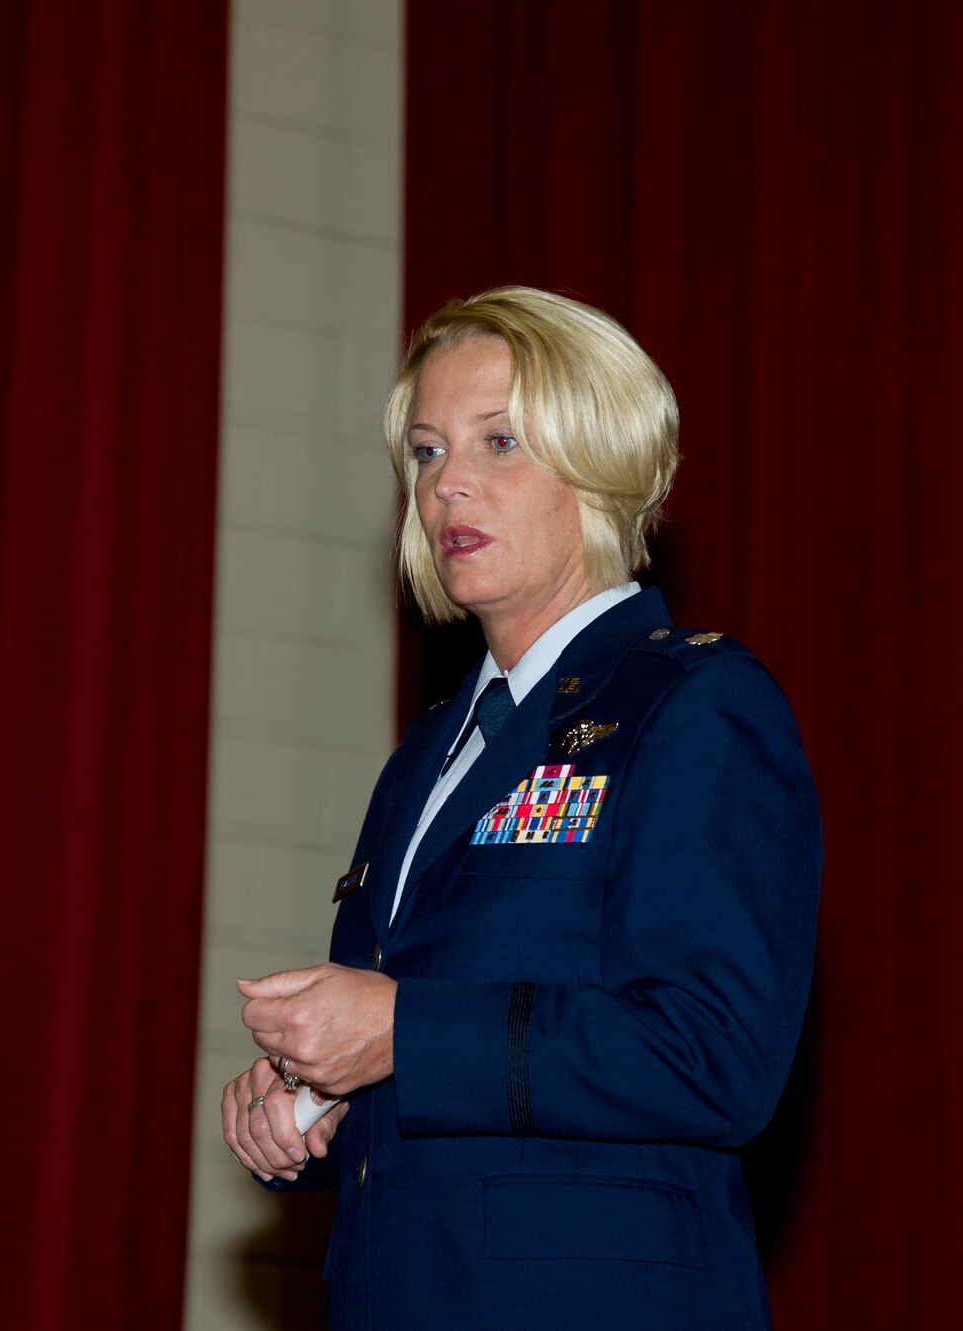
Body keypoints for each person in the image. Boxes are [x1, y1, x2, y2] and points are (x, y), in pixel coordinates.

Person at [219, 286, 822, 1328]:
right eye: (423, 451)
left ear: (599, 455)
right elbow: (439, 1074)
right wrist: (307, 1102)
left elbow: (715, 1052)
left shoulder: (691, 707)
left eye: (497, 441)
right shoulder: (428, 752)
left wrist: (400, 1028)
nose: (447, 482)